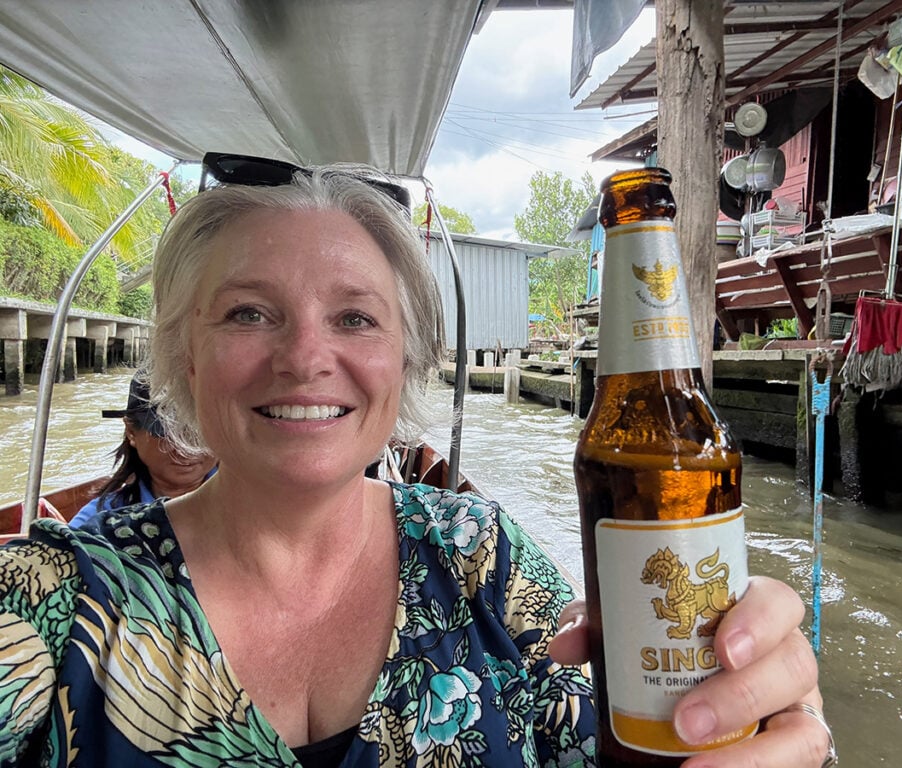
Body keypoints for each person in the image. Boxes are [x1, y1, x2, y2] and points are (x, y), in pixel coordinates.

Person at [0, 159, 832, 768]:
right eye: (250, 313)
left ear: (407, 362)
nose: (305, 358)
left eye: (356, 318)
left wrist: (753, 711)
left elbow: (628, 734)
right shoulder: (50, 600)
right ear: (184, 360)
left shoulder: (480, 556)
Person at [70, 370, 218, 528]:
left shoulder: (245, 501)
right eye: (168, 433)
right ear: (131, 432)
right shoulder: (98, 524)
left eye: (199, 432)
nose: (186, 447)